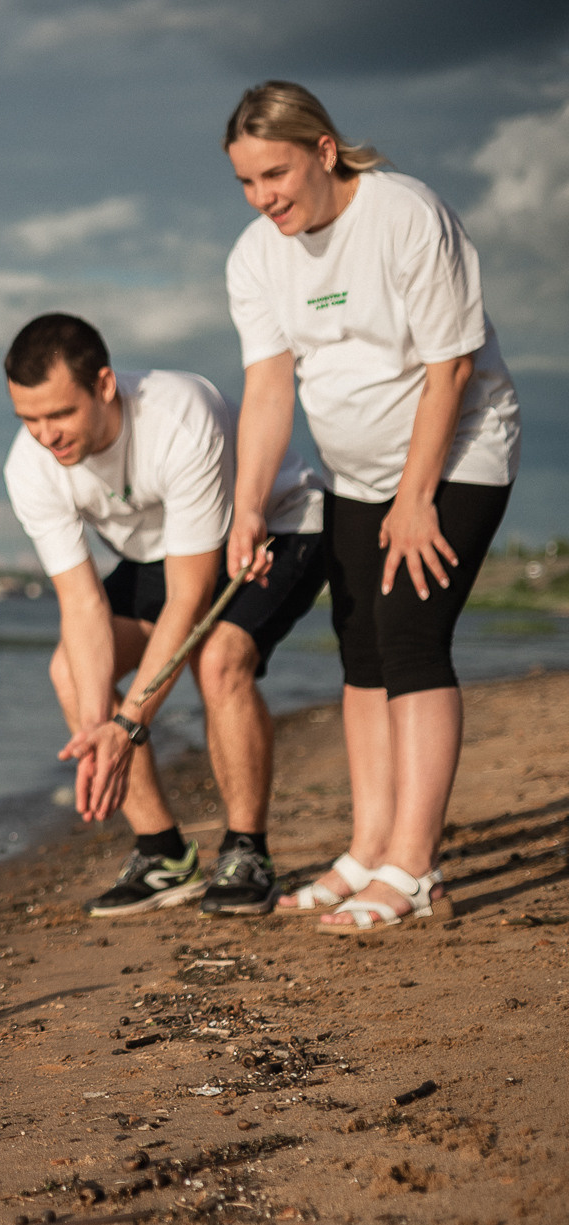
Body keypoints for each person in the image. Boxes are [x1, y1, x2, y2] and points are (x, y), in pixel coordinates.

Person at [223, 82, 521, 933]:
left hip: (458, 451)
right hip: (354, 474)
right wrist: (249, 506)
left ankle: (415, 867)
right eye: (246, 182)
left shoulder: (404, 215)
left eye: (274, 173)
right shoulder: (256, 255)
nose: (263, 198)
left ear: (323, 149)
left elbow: (451, 369)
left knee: (409, 632)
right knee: (360, 651)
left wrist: (418, 496)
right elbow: (269, 388)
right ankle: (368, 848)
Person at [3, 313, 327, 918]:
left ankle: (246, 851)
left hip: (278, 525)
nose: (46, 435)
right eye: (29, 418)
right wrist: (100, 723)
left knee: (221, 658)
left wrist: (129, 725)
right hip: (156, 552)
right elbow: (81, 606)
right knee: (70, 673)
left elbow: (190, 597)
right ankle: (163, 856)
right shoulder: (29, 466)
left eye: (59, 415)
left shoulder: (178, 416)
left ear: (104, 386)